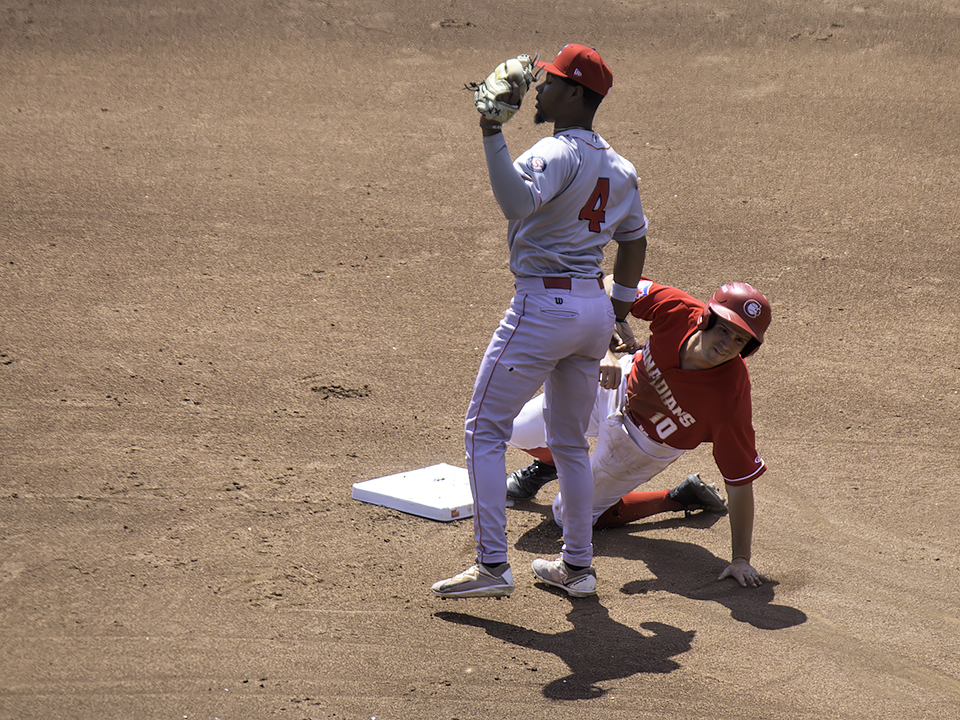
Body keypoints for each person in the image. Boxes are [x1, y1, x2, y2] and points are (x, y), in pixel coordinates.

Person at [432, 44, 649, 598]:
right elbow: (634, 238)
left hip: (542, 308)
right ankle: (577, 567)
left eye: (549, 82)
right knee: (572, 445)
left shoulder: (556, 152)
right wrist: (619, 307)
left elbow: (514, 203)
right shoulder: (621, 167)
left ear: (575, 93)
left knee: (483, 430)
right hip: (592, 312)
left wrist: (489, 130)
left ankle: (490, 566)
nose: (538, 90)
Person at [504, 276, 772, 588]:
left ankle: (677, 498)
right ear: (705, 318)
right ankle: (550, 465)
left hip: (641, 445)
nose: (727, 344)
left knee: (566, 516)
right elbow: (608, 284)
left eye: (739, 340)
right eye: (724, 329)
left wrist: (741, 558)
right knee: (515, 429)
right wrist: (607, 343)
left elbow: (739, 481)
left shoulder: (731, 396)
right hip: (615, 384)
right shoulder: (677, 309)